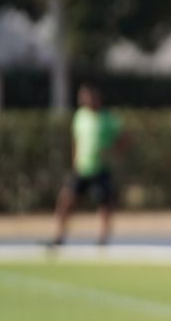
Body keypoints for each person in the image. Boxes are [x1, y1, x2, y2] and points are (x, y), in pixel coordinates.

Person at [50, 82, 126, 247]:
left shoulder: (108, 118)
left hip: (101, 168)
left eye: (89, 95)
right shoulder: (80, 117)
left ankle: (102, 238)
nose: (86, 99)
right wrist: (75, 159)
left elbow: (122, 140)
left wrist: (113, 155)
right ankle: (59, 235)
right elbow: (76, 140)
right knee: (66, 199)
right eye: (83, 96)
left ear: (96, 97)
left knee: (105, 204)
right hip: (82, 169)